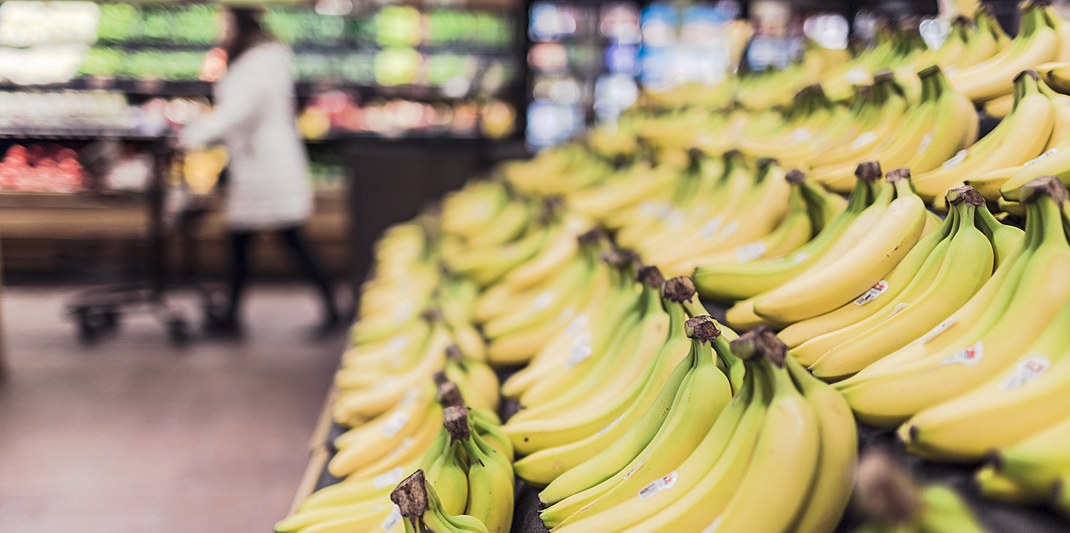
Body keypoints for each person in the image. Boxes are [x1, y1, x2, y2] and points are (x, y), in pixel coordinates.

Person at [179, 6, 342, 338]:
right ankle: (234, 315)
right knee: (247, 241)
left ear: (239, 24)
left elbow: (237, 113)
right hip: (258, 163)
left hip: (266, 166)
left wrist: (193, 134)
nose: (220, 31)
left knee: (285, 239)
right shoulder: (262, 60)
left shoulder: (258, 64)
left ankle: (329, 309)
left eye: (224, 23)